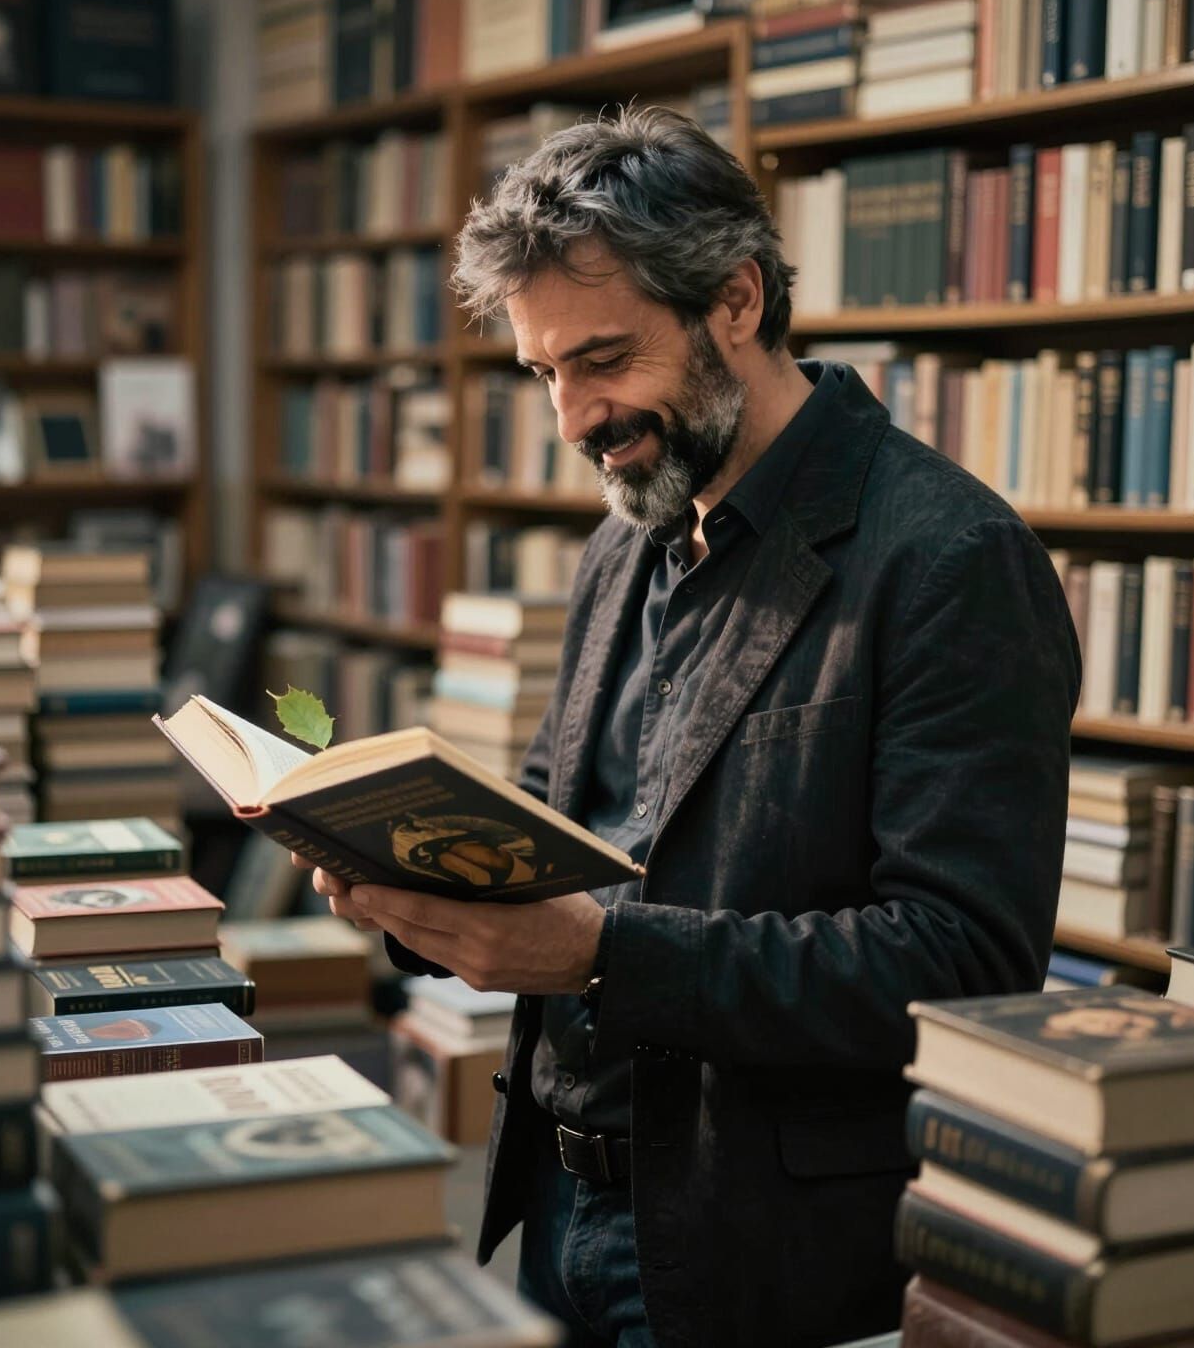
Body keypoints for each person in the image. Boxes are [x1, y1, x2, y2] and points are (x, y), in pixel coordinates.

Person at [300, 105, 1081, 1348]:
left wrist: (600, 957)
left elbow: (962, 966)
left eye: (603, 360)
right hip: (558, 1208)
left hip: (764, 1250)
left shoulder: (949, 558)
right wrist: (409, 875)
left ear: (735, 300)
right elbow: (556, 835)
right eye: (545, 373)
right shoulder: (625, 546)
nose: (572, 420)